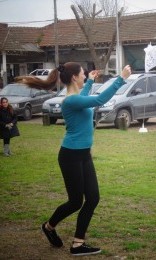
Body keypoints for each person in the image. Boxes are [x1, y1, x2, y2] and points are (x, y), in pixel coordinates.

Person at [15, 62, 132, 255]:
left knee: (93, 198)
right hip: (70, 156)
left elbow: (84, 98)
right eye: (83, 74)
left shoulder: (75, 97)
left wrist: (90, 82)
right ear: (74, 78)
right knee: (75, 202)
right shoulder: (70, 101)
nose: (85, 76)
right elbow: (100, 99)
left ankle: (78, 243)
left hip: (84, 154)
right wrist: (121, 78)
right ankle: (49, 226)